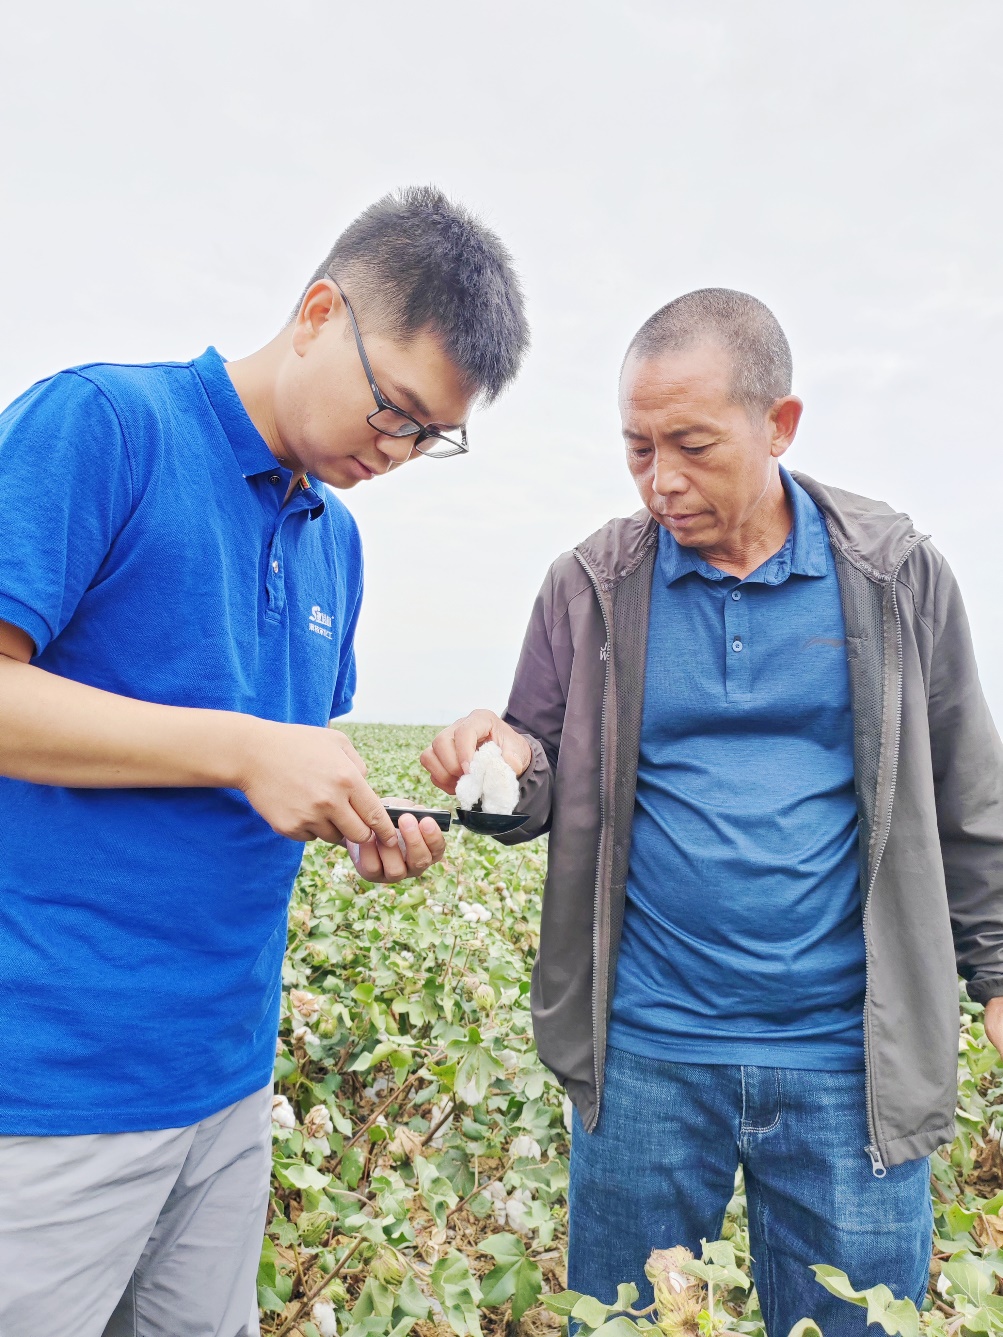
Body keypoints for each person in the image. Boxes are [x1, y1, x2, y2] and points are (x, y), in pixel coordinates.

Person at [0, 185, 528, 1337]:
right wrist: (240, 748)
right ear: (317, 312)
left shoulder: (333, 540)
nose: (394, 453)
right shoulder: (102, 425)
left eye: (429, 436)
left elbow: (272, 780)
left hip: (230, 1080)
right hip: (47, 1086)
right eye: (392, 409)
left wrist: (360, 828)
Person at [422, 289, 1003, 1333]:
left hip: (847, 1062)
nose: (661, 481)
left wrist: (997, 969)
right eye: (637, 449)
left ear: (778, 424)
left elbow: (966, 790)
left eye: (689, 445)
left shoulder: (893, 574)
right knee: (626, 1320)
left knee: (857, 1320)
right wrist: (497, 755)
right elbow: (536, 771)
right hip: (646, 1052)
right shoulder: (590, 583)